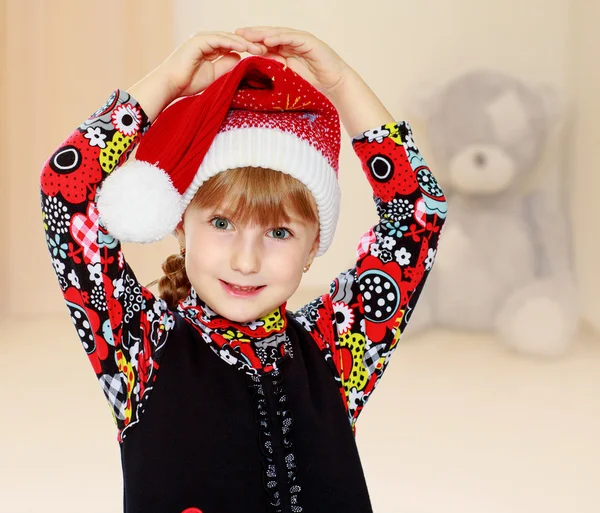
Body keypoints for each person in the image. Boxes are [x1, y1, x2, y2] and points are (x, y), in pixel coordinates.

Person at [40, 26, 447, 513]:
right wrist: (168, 81)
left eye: (279, 233)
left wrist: (340, 85)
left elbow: (419, 211)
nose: (246, 260)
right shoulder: (141, 347)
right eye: (221, 223)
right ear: (181, 227)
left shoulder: (337, 347)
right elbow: (67, 190)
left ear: (314, 244)